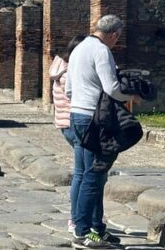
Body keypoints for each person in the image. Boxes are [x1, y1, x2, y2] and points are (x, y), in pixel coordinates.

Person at [66, 15, 138, 249]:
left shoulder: (78, 49)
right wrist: (131, 96)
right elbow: (112, 88)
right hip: (93, 119)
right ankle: (83, 232)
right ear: (115, 34)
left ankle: (97, 228)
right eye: (118, 37)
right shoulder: (101, 50)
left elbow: (68, 89)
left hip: (77, 115)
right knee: (93, 177)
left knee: (84, 174)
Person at [50, 35, 86, 234]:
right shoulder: (70, 72)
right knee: (83, 174)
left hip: (65, 124)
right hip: (75, 124)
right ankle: (75, 218)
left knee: (84, 172)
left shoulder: (60, 67)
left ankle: (83, 216)